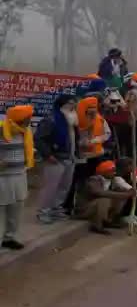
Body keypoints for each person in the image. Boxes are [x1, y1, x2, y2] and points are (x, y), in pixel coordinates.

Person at [35, 95, 78, 224]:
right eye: (69, 104)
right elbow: (39, 139)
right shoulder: (51, 120)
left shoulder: (72, 121)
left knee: (64, 187)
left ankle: (55, 209)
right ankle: (44, 212)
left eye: (74, 104)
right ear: (61, 105)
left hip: (69, 157)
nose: (72, 107)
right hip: (55, 158)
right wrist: (48, 155)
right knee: (51, 187)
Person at [0, 105, 35, 249]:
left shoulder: (25, 132)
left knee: (17, 207)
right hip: (2, 177)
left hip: (20, 174)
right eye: (28, 118)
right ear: (19, 118)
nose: (30, 120)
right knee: (1, 208)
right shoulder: (1, 130)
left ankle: (9, 238)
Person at [77, 160, 135, 235]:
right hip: (84, 209)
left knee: (120, 192)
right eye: (112, 171)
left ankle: (109, 220)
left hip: (95, 206)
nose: (114, 173)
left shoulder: (111, 180)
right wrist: (125, 194)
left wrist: (128, 192)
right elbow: (99, 193)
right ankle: (97, 225)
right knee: (104, 199)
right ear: (104, 171)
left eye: (114, 171)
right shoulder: (93, 180)